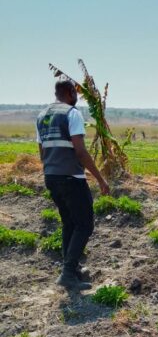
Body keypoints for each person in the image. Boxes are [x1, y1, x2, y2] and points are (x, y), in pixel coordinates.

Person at [37, 80, 110, 291]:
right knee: (85, 224)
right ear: (70, 92)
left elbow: (41, 152)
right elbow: (80, 150)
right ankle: (68, 273)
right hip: (71, 178)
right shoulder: (72, 113)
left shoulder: (43, 116)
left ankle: (72, 268)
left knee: (69, 223)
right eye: (75, 92)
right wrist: (100, 178)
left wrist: (52, 167)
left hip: (51, 176)